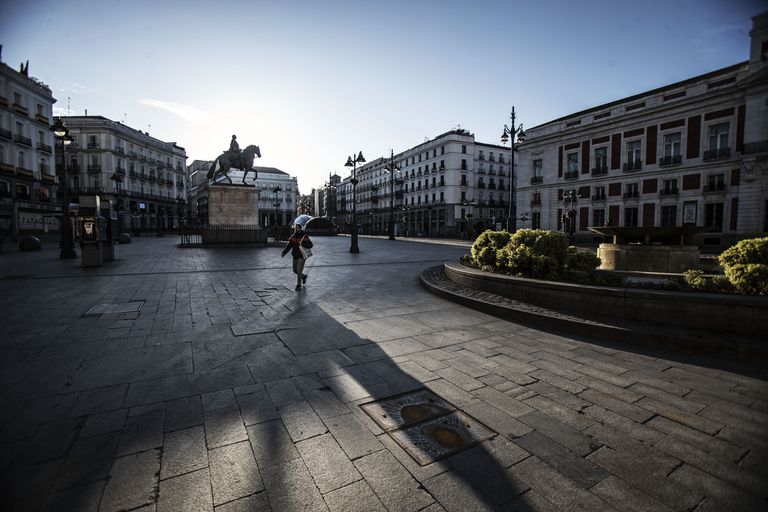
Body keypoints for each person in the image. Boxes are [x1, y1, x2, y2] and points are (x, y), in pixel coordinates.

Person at [281, 223, 313, 290]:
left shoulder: (304, 236)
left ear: (300, 228)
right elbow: (289, 246)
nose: (296, 228)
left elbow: (311, 245)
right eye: (296, 227)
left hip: (302, 256)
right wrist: (284, 252)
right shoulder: (293, 237)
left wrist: (302, 243)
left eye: (298, 227)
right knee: (295, 270)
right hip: (295, 256)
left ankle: (298, 285)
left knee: (298, 271)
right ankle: (304, 277)